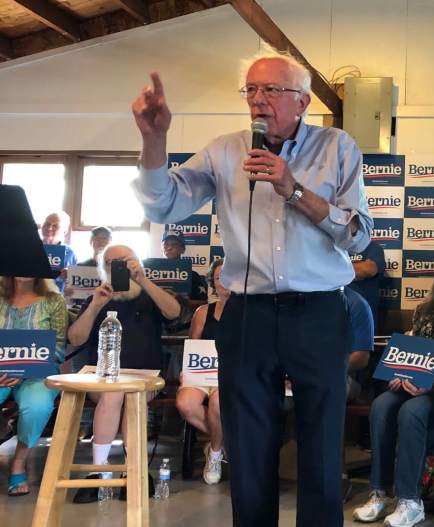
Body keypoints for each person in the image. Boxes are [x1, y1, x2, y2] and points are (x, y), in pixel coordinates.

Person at [130, 49, 372, 526]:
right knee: (248, 447)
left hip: (319, 313)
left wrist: (294, 190)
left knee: (322, 447)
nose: (259, 99)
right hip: (248, 315)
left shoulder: (338, 147)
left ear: (302, 101)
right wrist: (153, 140)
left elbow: (357, 235)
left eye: (272, 90)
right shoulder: (224, 151)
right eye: (252, 90)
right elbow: (163, 204)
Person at [354, 254, 434, 526]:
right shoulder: (423, 310)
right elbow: (410, 355)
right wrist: (398, 373)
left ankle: (410, 501)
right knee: (381, 405)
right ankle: (379, 492)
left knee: (411, 412)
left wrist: (431, 387)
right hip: (414, 384)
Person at [68, 244, 181, 502]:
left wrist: (143, 280)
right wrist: (95, 305)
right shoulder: (98, 297)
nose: (119, 266)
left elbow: (174, 312)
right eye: (112, 263)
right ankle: (99, 471)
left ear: (137, 261)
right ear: (104, 269)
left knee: (130, 396)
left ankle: (133, 470)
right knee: (114, 393)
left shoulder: (151, 295)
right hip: (103, 378)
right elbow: (75, 339)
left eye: (125, 260)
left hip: (145, 377)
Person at [0, 277, 67, 496]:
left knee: (37, 405)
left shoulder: (53, 301)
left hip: (38, 374)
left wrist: (22, 369)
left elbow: (58, 347)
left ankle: (19, 462)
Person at [176, 258, 228, 485]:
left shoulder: (249, 311)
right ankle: (225, 444)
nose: (223, 282)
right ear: (213, 283)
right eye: (217, 278)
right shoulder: (202, 312)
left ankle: (214, 454)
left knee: (218, 403)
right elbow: (193, 345)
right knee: (185, 404)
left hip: (229, 376)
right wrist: (185, 371)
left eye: (227, 276)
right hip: (202, 373)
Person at [341, 286, 374, 503]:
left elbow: (361, 358)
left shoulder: (356, 303)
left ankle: (337, 475)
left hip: (346, 378)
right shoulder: (305, 298)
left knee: (326, 394)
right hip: (300, 375)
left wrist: (323, 368)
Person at [161, 230, 208, 312]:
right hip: (157, 319)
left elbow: (205, 304)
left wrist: (184, 301)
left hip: (184, 319)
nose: (169, 248)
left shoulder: (193, 275)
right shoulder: (152, 272)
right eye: (166, 244)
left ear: (183, 249)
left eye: (174, 244)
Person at [348, 240, 386, 329]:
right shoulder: (333, 246)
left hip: (364, 314)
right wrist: (355, 271)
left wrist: (335, 270)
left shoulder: (372, 247)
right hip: (336, 312)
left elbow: (367, 270)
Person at [40, 211, 77, 293]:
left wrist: (69, 276)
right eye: (47, 224)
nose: (49, 228)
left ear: (65, 231)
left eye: (55, 226)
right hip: (32, 296)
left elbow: (75, 284)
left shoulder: (70, 253)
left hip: (58, 297)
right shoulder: (31, 248)